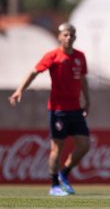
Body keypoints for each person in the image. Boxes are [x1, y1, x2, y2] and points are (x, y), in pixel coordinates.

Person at [8, 23, 90, 196]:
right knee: (56, 148)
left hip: (75, 109)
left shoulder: (80, 56)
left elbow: (83, 80)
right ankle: (54, 186)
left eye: (72, 35)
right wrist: (19, 90)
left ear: (75, 37)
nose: (69, 38)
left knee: (84, 145)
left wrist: (87, 101)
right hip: (58, 110)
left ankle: (64, 174)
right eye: (66, 35)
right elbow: (33, 72)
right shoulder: (52, 56)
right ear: (59, 37)